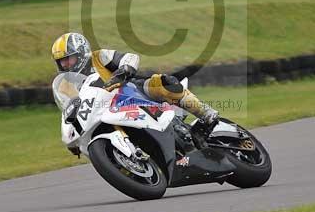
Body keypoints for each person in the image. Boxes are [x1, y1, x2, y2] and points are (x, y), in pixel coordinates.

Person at [51, 32, 219, 152]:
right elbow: (67, 111)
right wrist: (72, 139)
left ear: (81, 53)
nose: (65, 65)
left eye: (68, 59)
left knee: (164, 84)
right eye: (61, 62)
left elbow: (130, 58)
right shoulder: (66, 85)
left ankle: (207, 116)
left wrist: (123, 71)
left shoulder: (99, 57)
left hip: (130, 92)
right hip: (103, 112)